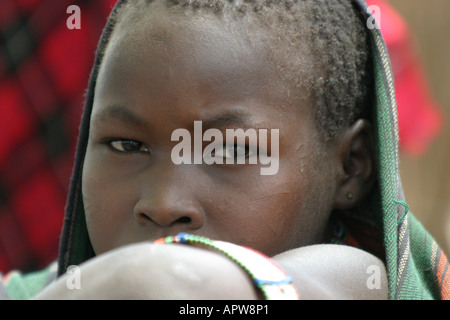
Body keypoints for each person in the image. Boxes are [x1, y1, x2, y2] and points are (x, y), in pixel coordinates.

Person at [1, 0, 448, 300]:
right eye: (126, 144)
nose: (163, 203)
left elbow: (164, 285)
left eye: (229, 152)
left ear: (351, 168)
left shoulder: (351, 280)